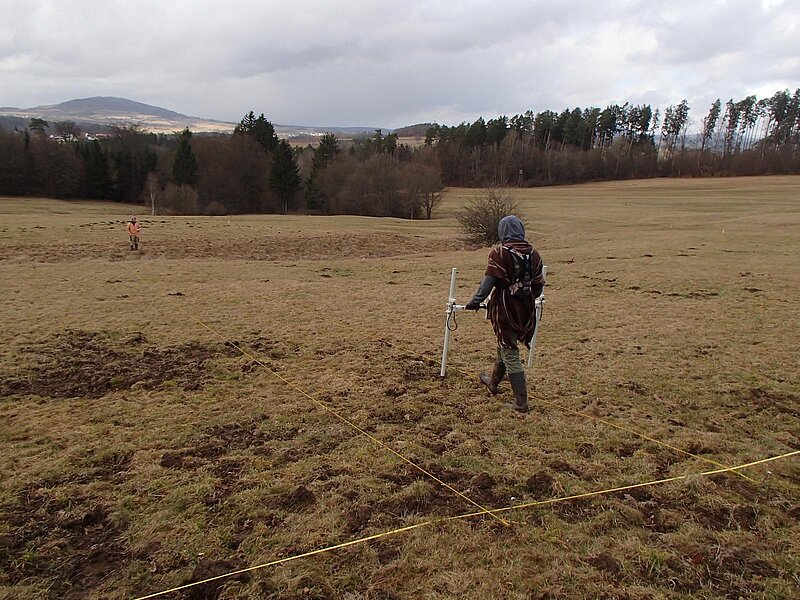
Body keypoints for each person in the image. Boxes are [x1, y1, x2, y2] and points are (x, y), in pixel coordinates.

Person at [465, 215, 545, 413]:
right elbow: (538, 286)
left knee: (509, 350)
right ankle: (493, 383)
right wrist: (524, 298)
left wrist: (474, 302)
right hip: (525, 309)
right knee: (504, 343)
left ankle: (521, 402)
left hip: (504, 308)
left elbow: (488, 283)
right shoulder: (534, 254)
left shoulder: (499, 253)